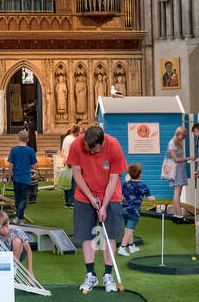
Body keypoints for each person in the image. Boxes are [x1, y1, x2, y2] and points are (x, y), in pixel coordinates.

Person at [67, 120, 127, 293]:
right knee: (88, 236)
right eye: (88, 148)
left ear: (102, 143)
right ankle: (90, 274)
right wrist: (90, 197)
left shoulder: (114, 146)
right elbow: (76, 173)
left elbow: (114, 179)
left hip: (110, 196)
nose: (90, 152)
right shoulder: (78, 144)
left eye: (94, 149)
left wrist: (103, 205)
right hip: (84, 196)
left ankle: (108, 275)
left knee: (109, 236)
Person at [118, 163, 150, 256]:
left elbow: (122, 195)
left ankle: (131, 246)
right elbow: (148, 195)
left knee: (129, 228)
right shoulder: (142, 186)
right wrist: (151, 197)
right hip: (134, 211)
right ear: (140, 174)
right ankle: (122, 247)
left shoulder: (125, 184)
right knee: (128, 230)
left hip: (124, 210)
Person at [7, 129, 37, 220]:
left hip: (17, 177)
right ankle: (19, 217)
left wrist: (9, 177)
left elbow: (10, 165)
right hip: (25, 177)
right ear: (27, 139)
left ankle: (19, 216)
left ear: (18, 138)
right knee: (23, 198)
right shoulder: (30, 150)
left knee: (18, 198)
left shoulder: (14, 150)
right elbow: (33, 164)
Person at [0, 210, 33, 275]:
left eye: (7, 226)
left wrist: (30, 272)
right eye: (1, 228)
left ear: (8, 222)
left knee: (16, 241)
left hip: (19, 252)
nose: (5, 230)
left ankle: (13, 269)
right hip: (4, 255)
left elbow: (29, 251)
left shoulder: (16, 231)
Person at [167, 127, 189, 221]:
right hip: (176, 170)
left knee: (177, 193)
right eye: (183, 135)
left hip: (179, 169)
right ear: (178, 134)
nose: (184, 138)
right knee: (177, 192)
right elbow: (175, 159)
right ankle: (179, 215)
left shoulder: (178, 143)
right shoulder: (172, 143)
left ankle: (176, 215)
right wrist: (187, 158)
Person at [61, 123, 81, 209]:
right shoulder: (74, 140)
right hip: (72, 162)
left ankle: (67, 201)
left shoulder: (66, 138)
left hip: (67, 161)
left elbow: (63, 150)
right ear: (76, 132)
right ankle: (72, 201)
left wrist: (64, 158)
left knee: (66, 182)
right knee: (73, 183)